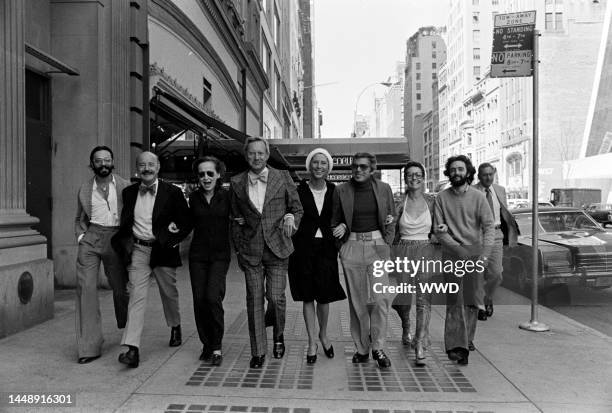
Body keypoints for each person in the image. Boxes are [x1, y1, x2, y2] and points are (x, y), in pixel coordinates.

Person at [111, 151, 191, 368]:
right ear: (138, 168)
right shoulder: (128, 193)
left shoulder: (173, 192)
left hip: (163, 250)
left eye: (150, 164)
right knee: (136, 296)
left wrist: (173, 238)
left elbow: (186, 221)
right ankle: (132, 349)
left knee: (169, 293)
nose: (146, 168)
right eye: (142, 165)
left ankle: (175, 325)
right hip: (138, 250)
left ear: (158, 168)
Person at [230, 137, 303, 368]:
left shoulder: (282, 177)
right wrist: (239, 249)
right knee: (254, 301)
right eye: (252, 153)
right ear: (246, 155)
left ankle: (278, 335)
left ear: (267, 154)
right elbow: (234, 219)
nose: (257, 157)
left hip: (278, 249)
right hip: (250, 251)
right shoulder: (236, 182)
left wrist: (291, 217)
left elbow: (296, 208)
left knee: (276, 297)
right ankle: (258, 351)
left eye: (261, 153)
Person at [331, 152, 396, 369]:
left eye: (363, 167)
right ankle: (362, 348)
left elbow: (391, 218)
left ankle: (378, 346)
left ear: (372, 169)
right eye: (355, 166)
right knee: (357, 302)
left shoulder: (384, 188)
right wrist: (341, 241)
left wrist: (386, 242)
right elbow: (334, 220)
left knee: (380, 299)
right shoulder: (341, 190)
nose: (358, 170)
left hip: (377, 246)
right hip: (351, 247)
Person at [434, 155, 495, 365]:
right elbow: (439, 231)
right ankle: (455, 346)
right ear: (448, 173)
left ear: (468, 172)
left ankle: (467, 339)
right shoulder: (441, 198)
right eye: (452, 170)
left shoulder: (479, 197)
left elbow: (489, 228)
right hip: (452, 256)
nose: (456, 173)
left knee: (470, 302)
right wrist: (459, 250)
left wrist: (485, 256)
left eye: (460, 169)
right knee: (454, 301)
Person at [288, 148, 346, 364]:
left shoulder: (336, 191)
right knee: (307, 295)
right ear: (309, 166)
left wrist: (343, 225)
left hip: (326, 248)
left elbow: (344, 215)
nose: (319, 166)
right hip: (303, 247)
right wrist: (288, 218)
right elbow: (289, 210)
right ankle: (312, 341)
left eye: (323, 163)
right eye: (315, 163)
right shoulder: (298, 190)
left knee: (324, 295)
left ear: (328, 167)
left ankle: (324, 334)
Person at [74, 146, 130, 364]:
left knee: (120, 288)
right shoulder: (84, 189)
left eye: (107, 160)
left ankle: (126, 326)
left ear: (113, 162)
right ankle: (88, 347)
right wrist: (81, 237)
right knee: (85, 289)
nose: (103, 164)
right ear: (92, 164)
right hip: (91, 237)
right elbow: (78, 218)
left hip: (116, 239)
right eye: (99, 161)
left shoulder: (125, 186)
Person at [390, 161, 443, 366]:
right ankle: (406, 326)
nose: (414, 178)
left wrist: (441, 231)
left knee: (423, 300)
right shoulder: (398, 203)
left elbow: (438, 227)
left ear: (423, 177)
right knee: (404, 297)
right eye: (410, 174)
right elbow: (391, 230)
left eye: (418, 174)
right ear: (405, 178)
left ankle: (420, 344)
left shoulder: (432, 202)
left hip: (426, 251)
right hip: (403, 250)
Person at [188, 156, 231, 366]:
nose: (205, 178)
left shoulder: (227, 197)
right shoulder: (193, 198)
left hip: (220, 256)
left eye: (210, 173)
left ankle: (216, 345)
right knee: (199, 300)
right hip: (197, 256)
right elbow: (187, 222)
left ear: (218, 175)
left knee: (213, 297)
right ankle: (206, 344)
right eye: (202, 174)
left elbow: (240, 217)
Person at [473, 163, 519, 321]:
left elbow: (504, 211)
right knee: (478, 273)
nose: (488, 177)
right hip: (478, 236)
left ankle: (488, 297)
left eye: (490, 174)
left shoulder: (500, 190)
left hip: (497, 234)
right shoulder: (472, 191)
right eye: (484, 175)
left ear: (494, 174)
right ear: (478, 176)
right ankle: (479, 306)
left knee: (497, 273)